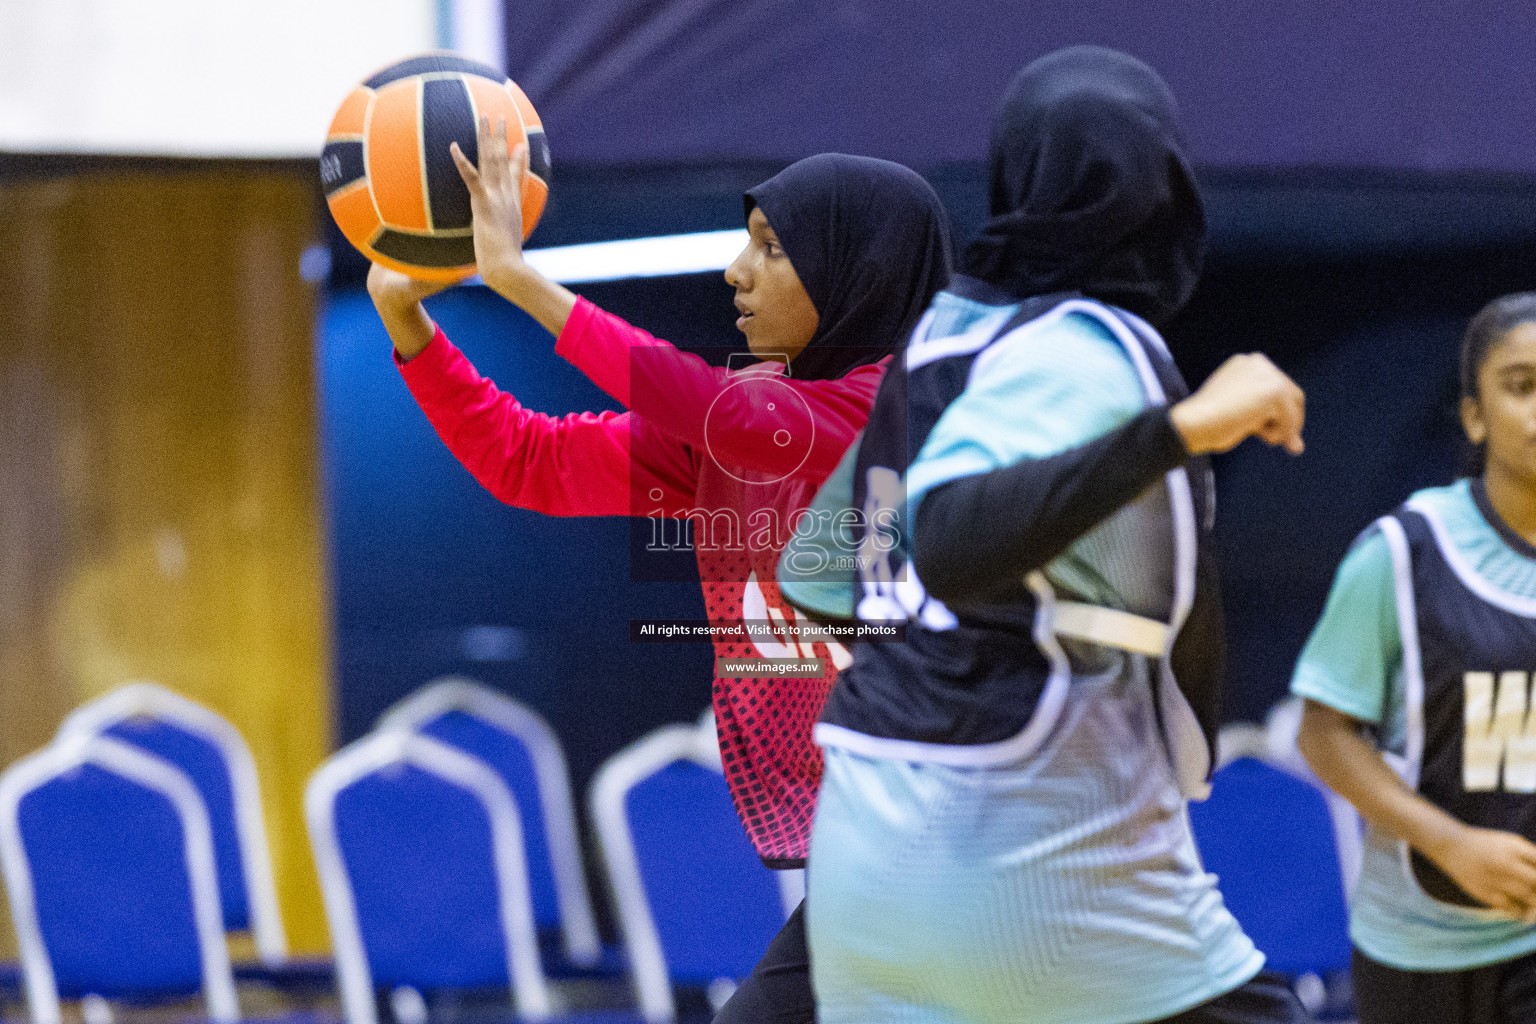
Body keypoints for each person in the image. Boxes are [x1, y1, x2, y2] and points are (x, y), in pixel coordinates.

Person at [366, 118, 952, 1023]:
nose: (736, 272)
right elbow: (527, 460)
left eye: (772, 250)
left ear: (854, 272)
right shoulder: (742, 435)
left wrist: (520, 279)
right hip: (873, 852)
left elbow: (693, 398)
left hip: (970, 847)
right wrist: (413, 333)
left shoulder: (898, 410)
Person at [778, 46, 1309, 1024]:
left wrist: (933, 660)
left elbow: (815, 574)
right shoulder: (1089, 350)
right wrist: (1183, 429)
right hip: (1039, 861)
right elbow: (945, 533)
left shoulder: (935, 345)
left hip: (868, 856)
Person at [1293, 293, 1536, 1023]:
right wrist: (1453, 844)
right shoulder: (1405, 551)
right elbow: (1325, 732)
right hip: (1422, 948)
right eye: (1521, 387)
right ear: (1473, 416)